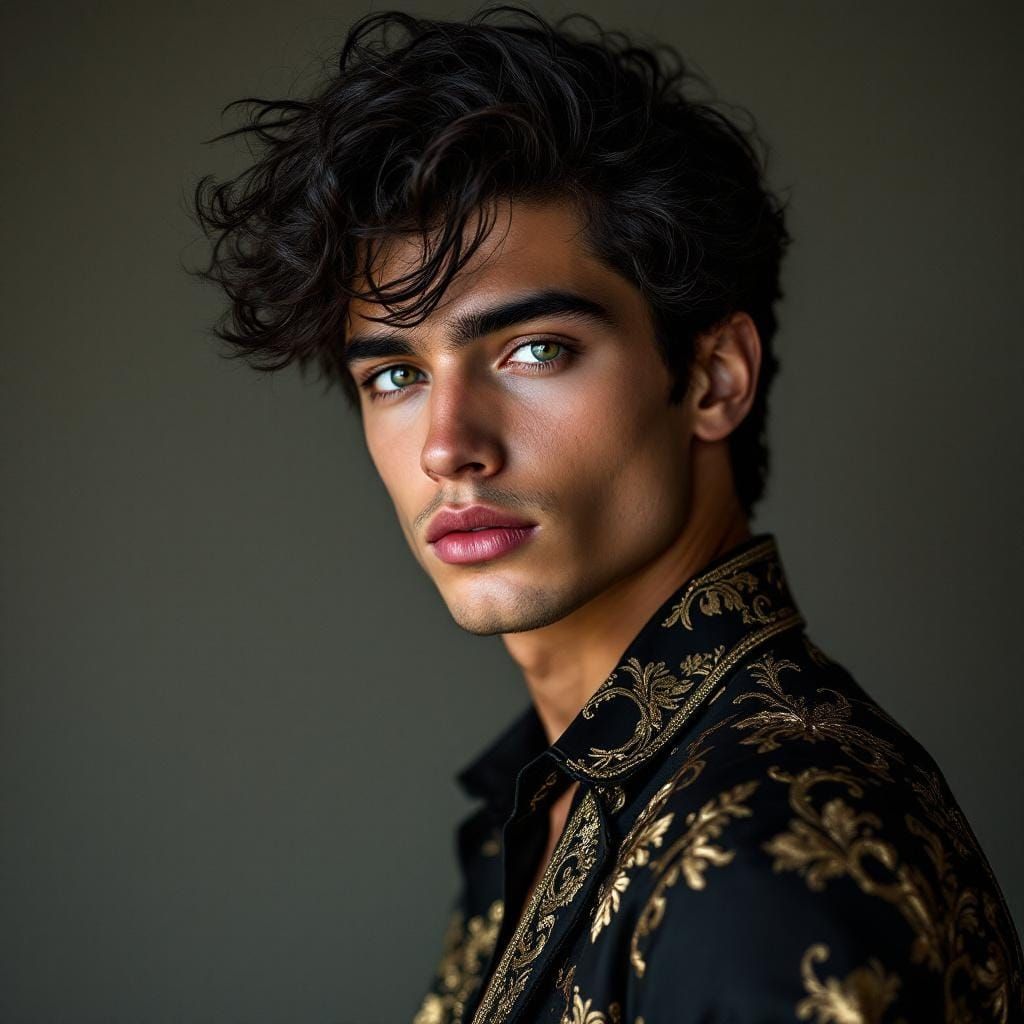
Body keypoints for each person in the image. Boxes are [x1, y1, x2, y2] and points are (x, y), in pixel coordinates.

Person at [190, 5, 1023, 1022]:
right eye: (398, 373)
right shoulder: (553, 799)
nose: (448, 443)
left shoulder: (761, 850)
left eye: (533, 350)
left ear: (714, 376)